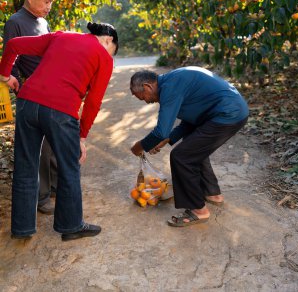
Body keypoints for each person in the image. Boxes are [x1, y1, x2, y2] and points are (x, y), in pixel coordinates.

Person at [0, 22, 119, 241]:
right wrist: (81, 137)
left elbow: (14, 44)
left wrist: (5, 75)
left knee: (26, 166)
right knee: (69, 167)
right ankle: (71, 226)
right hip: (61, 111)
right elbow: (93, 101)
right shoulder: (104, 57)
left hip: (27, 104)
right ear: (108, 40)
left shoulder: (61, 36)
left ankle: (22, 228)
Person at [130, 67, 249, 227]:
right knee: (193, 146)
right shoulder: (173, 81)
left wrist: (139, 147)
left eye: (143, 97)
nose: (147, 101)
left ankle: (198, 210)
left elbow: (160, 132)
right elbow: (191, 118)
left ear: (147, 86)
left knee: (181, 156)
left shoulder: (170, 88)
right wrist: (169, 138)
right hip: (230, 111)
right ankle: (213, 193)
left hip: (227, 114)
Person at [3, 0, 57, 215]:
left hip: (52, 88)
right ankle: (42, 197)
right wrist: (11, 78)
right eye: (46, 1)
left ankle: (56, 188)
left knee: (56, 142)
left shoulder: (43, 22)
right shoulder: (15, 22)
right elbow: (11, 54)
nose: (48, 7)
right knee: (40, 148)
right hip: (33, 91)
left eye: (51, 2)